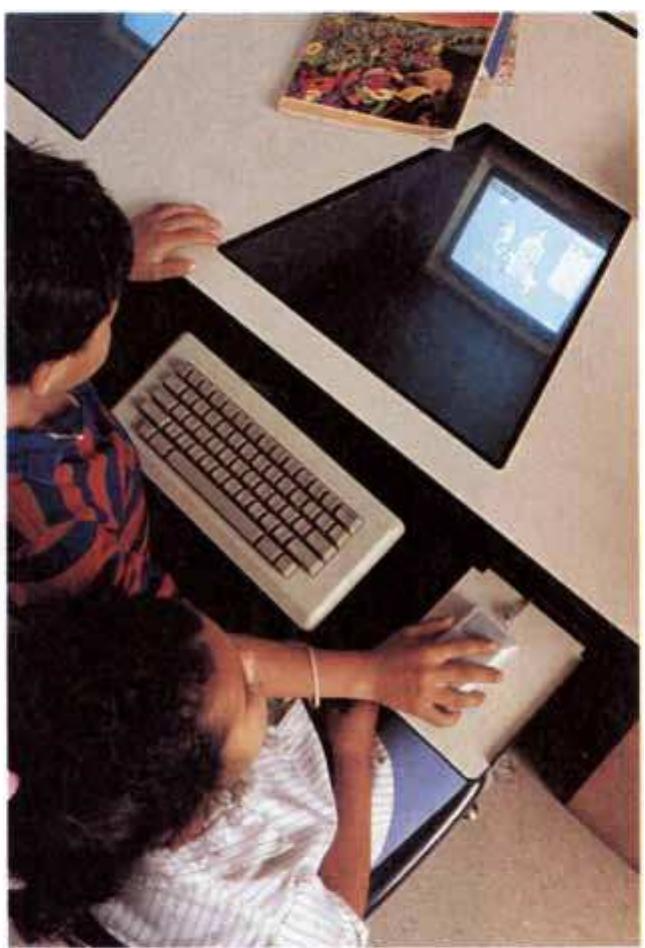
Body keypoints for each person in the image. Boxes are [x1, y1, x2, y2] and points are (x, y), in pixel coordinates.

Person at [9, 596, 501, 946]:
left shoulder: (42, 701)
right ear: (196, 817)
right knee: (460, 750)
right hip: (319, 833)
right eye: (249, 694)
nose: (252, 671)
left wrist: (369, 673)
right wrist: (352, 753)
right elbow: (342, 921)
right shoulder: (267, 923)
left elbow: (213, 662)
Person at [6, 135, 223, 606]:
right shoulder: (45, 521)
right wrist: (371, 677)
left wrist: (94, 264)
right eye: (107, 315)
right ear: (48, 372)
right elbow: (157, 634)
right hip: (112, 586)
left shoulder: (24, 384)